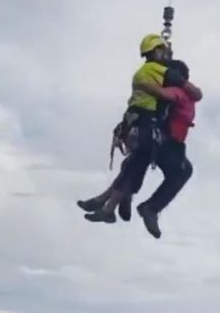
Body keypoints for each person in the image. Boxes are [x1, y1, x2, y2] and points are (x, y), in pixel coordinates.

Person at [76, 34, 188, 223]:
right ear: (156, 51)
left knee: (134, 163)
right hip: (149, 127)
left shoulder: (148, 72)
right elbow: (179, 82)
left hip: (139, 123)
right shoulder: (159, 74)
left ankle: (108, 201)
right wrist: (191, 89)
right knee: (137, 164)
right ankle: (116, 204)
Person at [135, 58, 201, 239]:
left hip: (172, 142)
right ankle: (150, 208)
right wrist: (145, 85)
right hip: (167, 141)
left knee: (182, 171)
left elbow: (195, 92)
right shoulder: (178, 93)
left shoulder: (186, 93)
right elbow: (165, 94)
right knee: (182, 171)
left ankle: (147, 206)